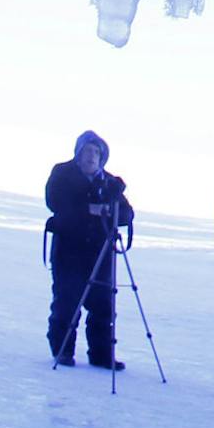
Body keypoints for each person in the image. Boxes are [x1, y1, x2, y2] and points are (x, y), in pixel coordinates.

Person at [45, 131, 134, 369]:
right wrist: (89, 209)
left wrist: (108, 209)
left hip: (100, 253)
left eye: (96, 152)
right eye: (87, 151)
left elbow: (127, 214)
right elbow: (54, 202)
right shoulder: (62, 173)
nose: (91, 156)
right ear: (78, 152)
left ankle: (102, 354)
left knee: (103, 306)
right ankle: (62, 349)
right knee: (67, 301)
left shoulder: (109, 182)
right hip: (69, 250)